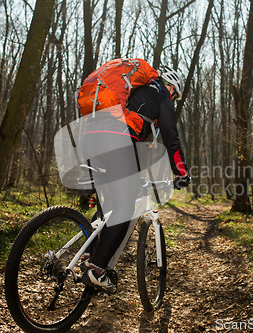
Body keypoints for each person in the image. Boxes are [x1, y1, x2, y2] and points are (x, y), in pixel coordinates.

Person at [81, 65, 190, 290]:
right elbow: (172, 140)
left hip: (89, 138)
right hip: (116, 141)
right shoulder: (162, 97)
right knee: (125, 207)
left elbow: (138, 142)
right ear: (171, 87)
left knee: (111, 205)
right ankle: (97, 268)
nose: (173, 100)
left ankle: (89, 255)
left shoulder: (132, 93)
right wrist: (181, 173)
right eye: (175, 95)